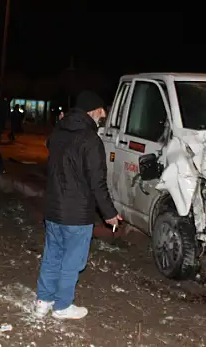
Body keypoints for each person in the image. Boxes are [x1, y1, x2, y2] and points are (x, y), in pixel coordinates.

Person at [35, 90, 122, 320]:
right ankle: (63, 306)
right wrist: (110, 213)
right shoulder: (90, 140)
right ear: (93, 110)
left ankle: (44, 300)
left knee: (52, 255)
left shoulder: (58, 132)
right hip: (77, 213)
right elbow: (97, 182)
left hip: (54, 209)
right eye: (102, 112)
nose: (103, 117)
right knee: (71, 261)